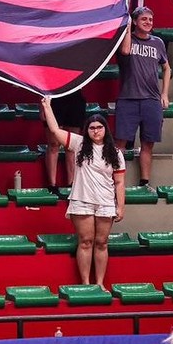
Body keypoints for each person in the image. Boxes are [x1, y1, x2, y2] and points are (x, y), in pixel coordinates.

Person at [42, 97, 125, 287]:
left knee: (102, 243)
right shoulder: (78, 144)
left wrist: (120, 207)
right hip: (82, 201)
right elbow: (55, 130)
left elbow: (119, 183)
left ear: (105, 129)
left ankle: (100, 283)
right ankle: (86, 283)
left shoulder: (115, 152)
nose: (96, 130)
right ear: (87, 130)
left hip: (105, 202)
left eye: (99, 127)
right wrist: (47, 107)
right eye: (92, 127)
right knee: (86, 241)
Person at [115, 7, 171, 188]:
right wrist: (127, 27)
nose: (148, 23)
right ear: (135, 22)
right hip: (128, 98)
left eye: (150, 20)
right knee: (120, 145)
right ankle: (115, 182)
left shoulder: (158, 43)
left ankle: (144, 183)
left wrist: (164, 93)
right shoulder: (126, 40)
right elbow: (124, 52)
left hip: (152, 100)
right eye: (144, 19)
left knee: (148, 145)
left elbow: (167, 68)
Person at [44, 90, 87, 191]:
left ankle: (71, 184)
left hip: (75, 98)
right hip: (54, 97)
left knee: (72, 145)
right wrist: (43, 107)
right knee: (54, 144)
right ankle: (52, 185)